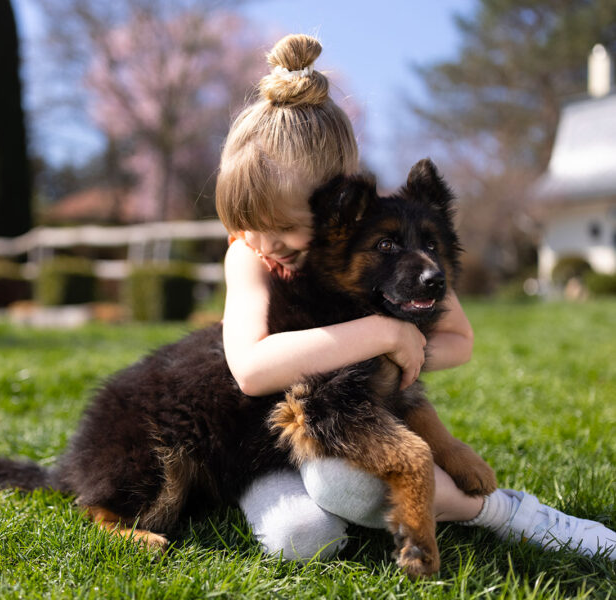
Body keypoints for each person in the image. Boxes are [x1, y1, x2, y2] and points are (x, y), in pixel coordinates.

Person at [215, 33, 616, 563]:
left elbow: (459, 341)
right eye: (246, 224)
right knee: (303, 538)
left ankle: (504, 511)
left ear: (340, 209)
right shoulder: (250, 256)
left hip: (347, 432)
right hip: (262, 440)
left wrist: (406, 343)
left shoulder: (385, 247)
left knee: (346, 488)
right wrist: (385, 334)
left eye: (285, 226)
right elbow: (249, 369)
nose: (265, 243)